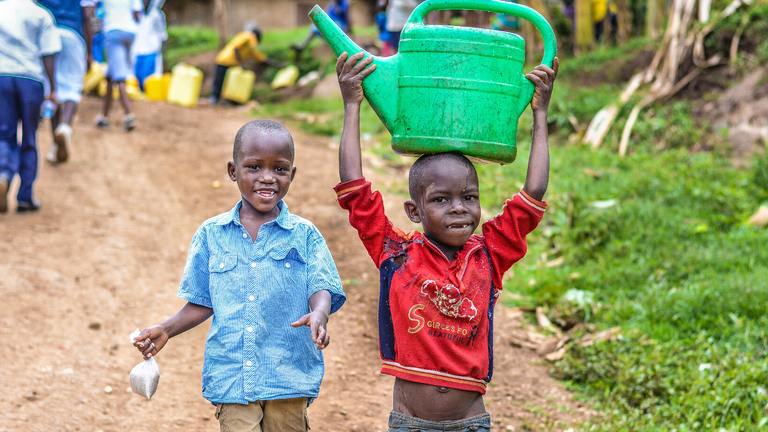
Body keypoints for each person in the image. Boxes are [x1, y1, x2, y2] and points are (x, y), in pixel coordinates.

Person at [333, 52, 558, 431]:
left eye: (469, 197)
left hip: (470, 424)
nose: (459, 209)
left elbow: (533, 192)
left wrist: (539, 114)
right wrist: (352, 103)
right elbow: (355, 190)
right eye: (441, 199)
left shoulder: (490, 256)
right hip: (409, 423)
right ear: (414, 210)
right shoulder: (397, 255)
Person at [132, 120, 346, 431]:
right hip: (233, 376)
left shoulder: (305, 234)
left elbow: (321, 284)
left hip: (287, 374)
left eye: (280, 169)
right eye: (254, 167)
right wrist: (166, 329)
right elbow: (203, 302)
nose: (267, 178)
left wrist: (320, 312)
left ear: (292, 175)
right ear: (233, 171)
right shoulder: (211, 234)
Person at [0, 0, 61, 213]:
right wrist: (53, 88)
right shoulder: (41, 14)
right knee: (29, 137)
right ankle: (25, 196)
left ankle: (3, 175)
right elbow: (49, 53)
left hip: (2, 77)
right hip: (30, 79)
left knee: (4, 134)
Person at [37, 0, 95, 164]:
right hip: (73, 34)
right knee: (72, 88)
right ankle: (65, 127)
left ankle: (56, 146)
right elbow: (88, 16)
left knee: (53, 90)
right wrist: (89, 52)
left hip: (48, 35)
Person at [95, 0, 143, 131]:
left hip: (113, 32)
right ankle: (104, 116)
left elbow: (91, 7)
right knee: (111, 75)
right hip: (130, 33)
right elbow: (138, 14)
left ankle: (129, 115)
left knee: (119, 76)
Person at [209, 24, 267, 105]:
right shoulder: (249, 36)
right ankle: (214, 98)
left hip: (228, 61)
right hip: (225, 59)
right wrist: (239, 60)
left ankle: (226, 99)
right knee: (220, 80)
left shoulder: (248, 43)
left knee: (226, 80)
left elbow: (255, 54)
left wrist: (264, 60)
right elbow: (236, 48)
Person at [132, 0, 167, 90]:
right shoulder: (137, 15)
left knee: (148, 82)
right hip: (137, 51)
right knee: (136, 80)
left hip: (151, 51)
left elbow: (163, 36)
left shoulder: (157, 15)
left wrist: (164, 54)